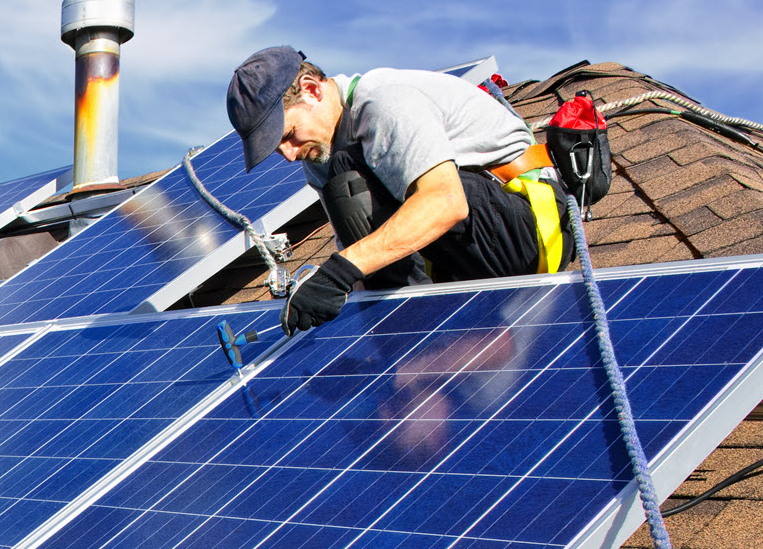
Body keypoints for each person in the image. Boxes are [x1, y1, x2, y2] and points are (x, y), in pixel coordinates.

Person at [225, 46, 570, 333]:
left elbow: (446, 201)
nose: (288, 154)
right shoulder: (319, 157)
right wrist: (333, 317)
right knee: (343, 180)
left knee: (348, 172)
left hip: (530, 232)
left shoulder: (382, 101)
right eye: (277, 149)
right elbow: (359, 258)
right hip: (464, 254)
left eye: (288, 135)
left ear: (313, 89)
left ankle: (419, 332)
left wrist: (338, 272)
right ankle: (410, 337)